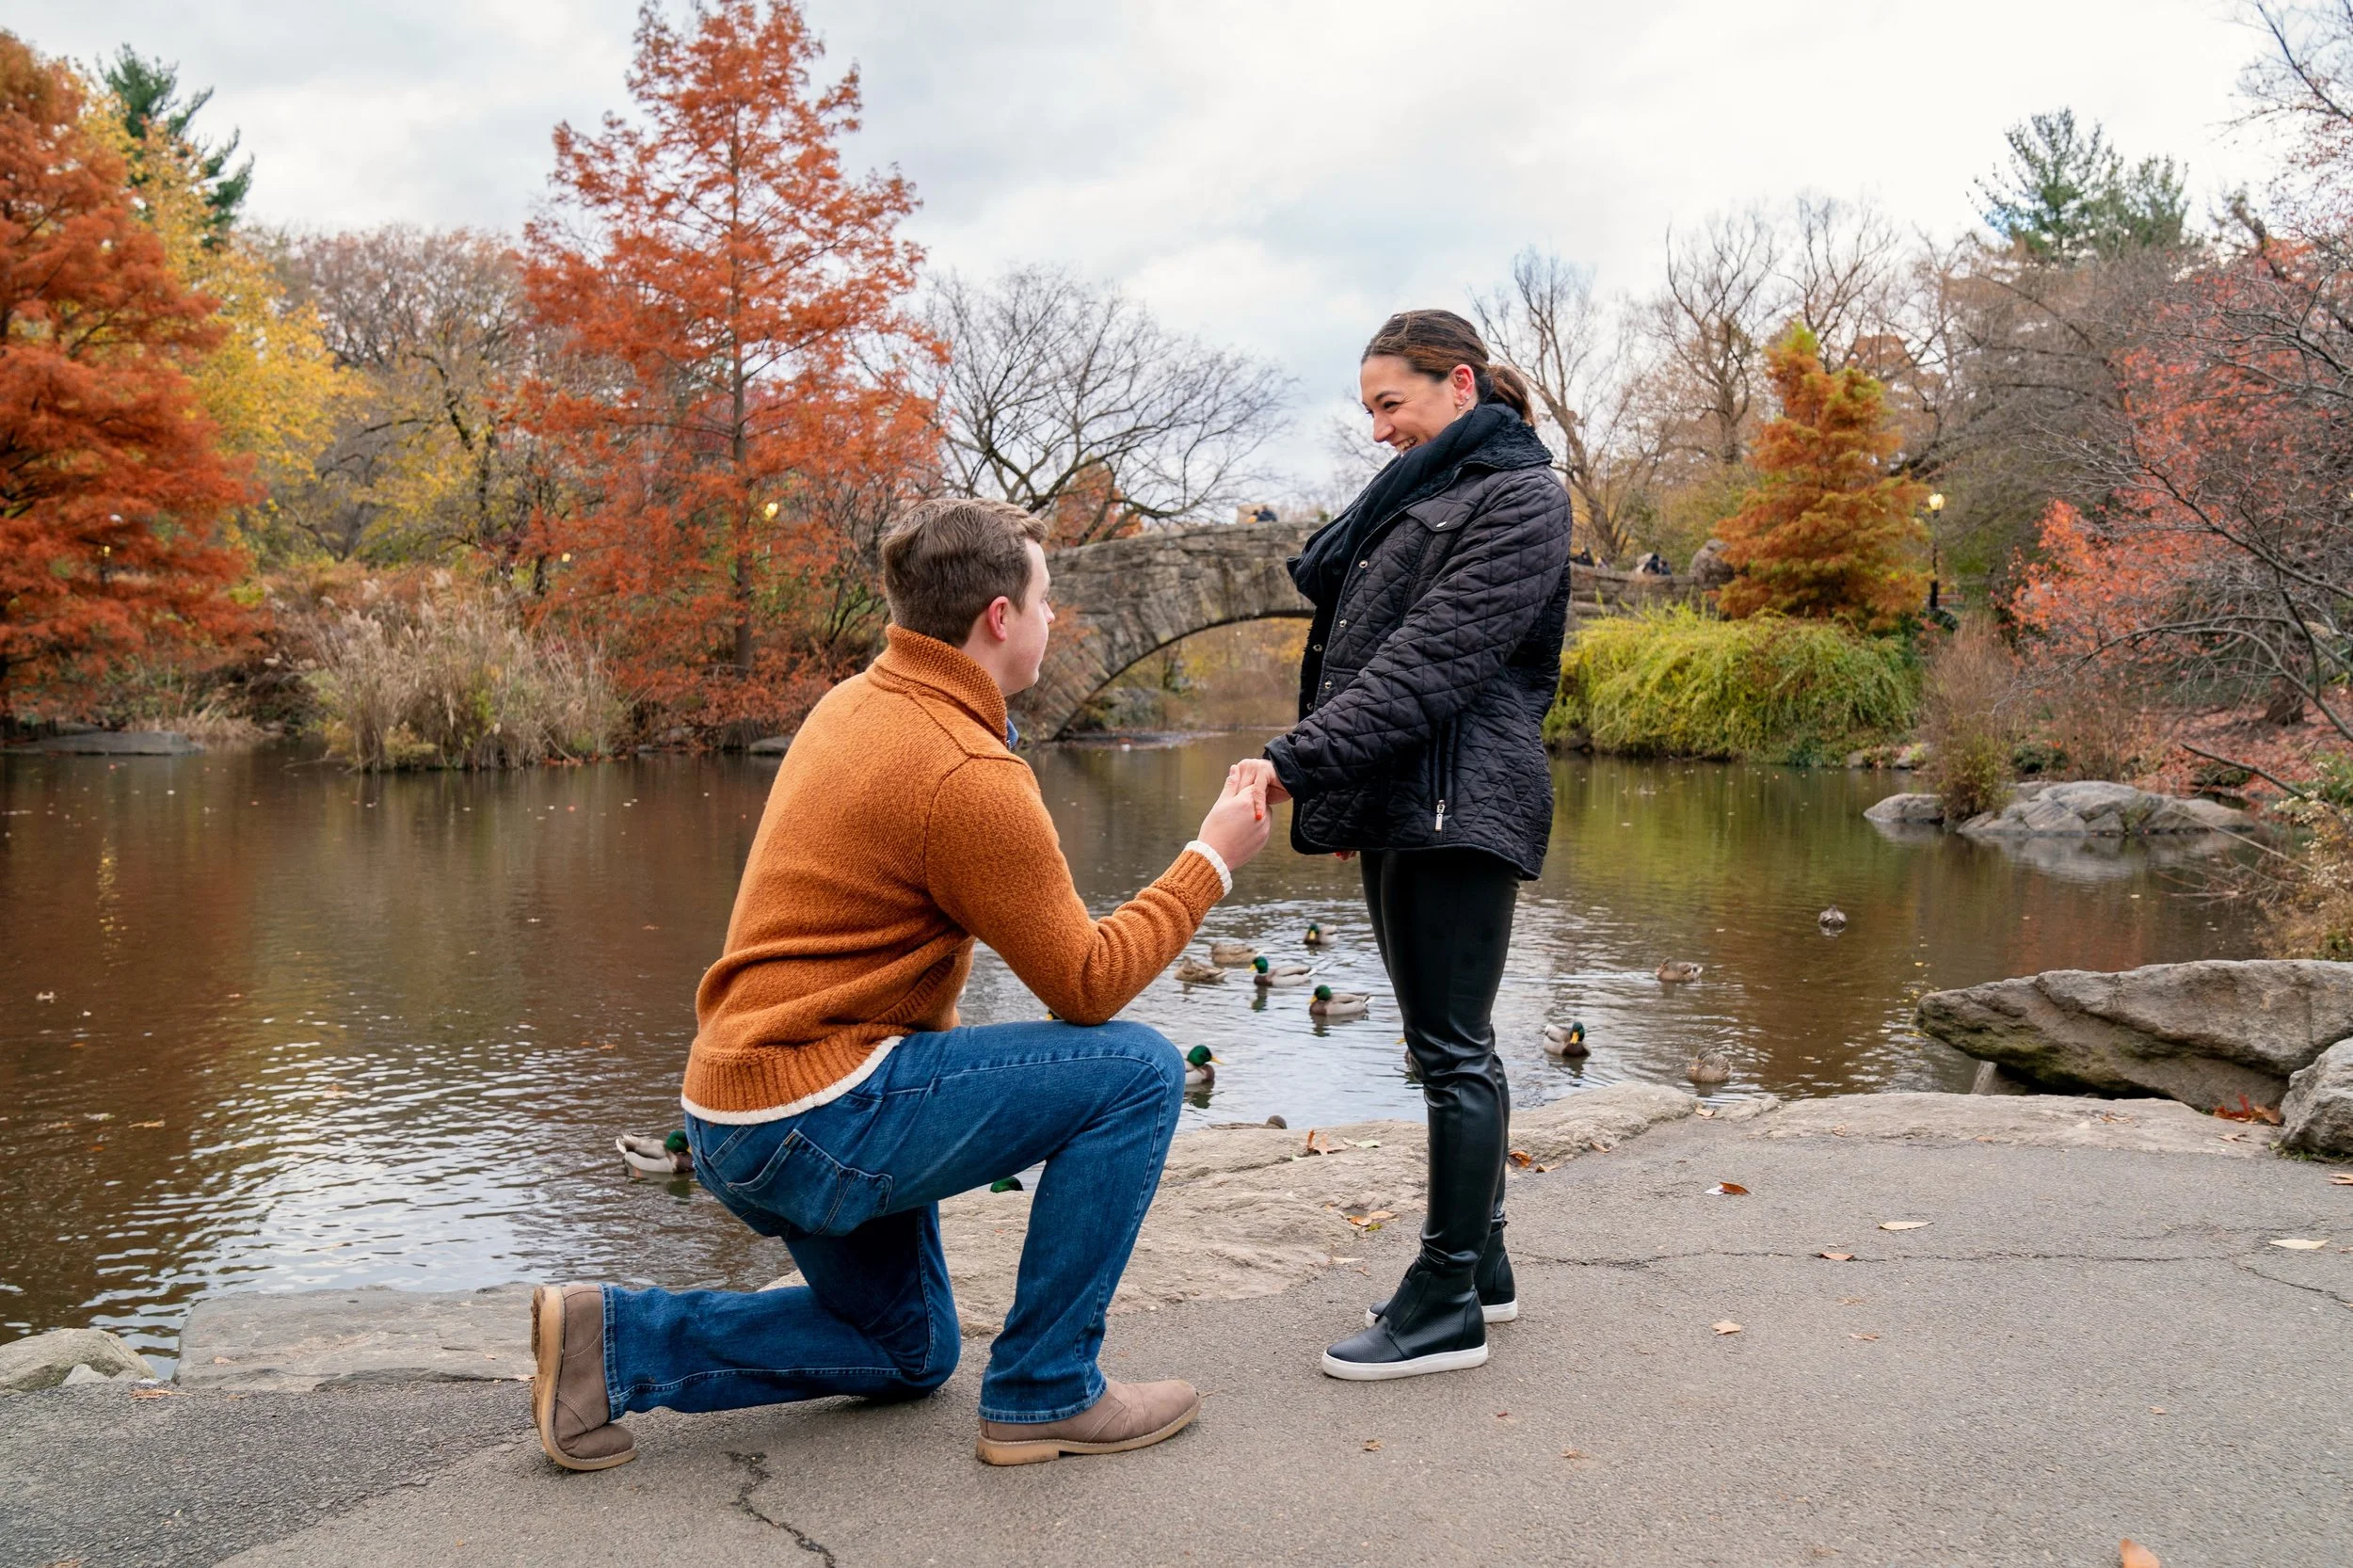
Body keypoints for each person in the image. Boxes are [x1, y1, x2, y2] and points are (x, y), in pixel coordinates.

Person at [531, 497, 1276, 1471]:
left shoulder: (856, 703)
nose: (1054, 620)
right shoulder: (964, 768)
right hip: (815, 1107)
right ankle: (1047, 1390)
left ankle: (614, 1342)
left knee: (908, 1348)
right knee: (1134, 1070)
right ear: (1000, 618)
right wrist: (1209, 859)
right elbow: (1087, 987)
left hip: (738, 1102)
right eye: (1045, 600)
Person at [1239, 309, 1570, 1381]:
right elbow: (1356, 656)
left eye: (1392, 403)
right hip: (1412, 798)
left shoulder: (1522, 498)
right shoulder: (1425, 497)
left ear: (1459, 387)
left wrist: (1296, 762)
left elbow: (1429, 665)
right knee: (1450, 1042)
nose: (1378, 428)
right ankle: (1484, 1266)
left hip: (1458, 802)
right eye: (1370, 407)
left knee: (1452, 1051)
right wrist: (1345, 793)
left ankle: (1440, 1303)